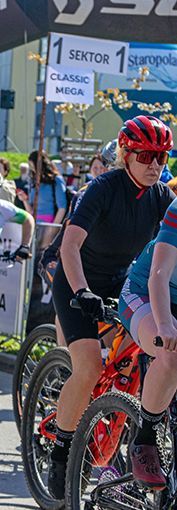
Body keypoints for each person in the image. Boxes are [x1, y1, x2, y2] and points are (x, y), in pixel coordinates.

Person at [47, 115, 175, 499]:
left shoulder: (163, 197)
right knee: (89, 367)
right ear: (125, 154)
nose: (155, 165)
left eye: (163, 158)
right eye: (146, 156)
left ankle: (124, 438)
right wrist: (83, 291)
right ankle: (62, 448)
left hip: (124, 284)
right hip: (78, 281)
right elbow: (69, 247)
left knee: (141, 360)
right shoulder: (102, 188)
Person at [119, 197, 177, 490]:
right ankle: (145, 439)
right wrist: (165, 323)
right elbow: (159, 275)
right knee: (171, 356)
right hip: (145, 293)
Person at [28, 150, 67, 224]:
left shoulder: (57, 180)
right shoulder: (34, 181)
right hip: (33, 221)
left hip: (48, 222)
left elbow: (62, 207)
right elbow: (31, 208)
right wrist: (24, 200)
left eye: (33, 167)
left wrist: (53, 228)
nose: (32, 169)